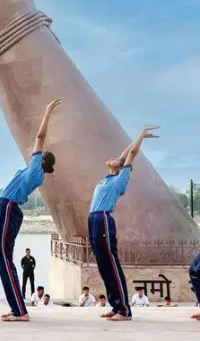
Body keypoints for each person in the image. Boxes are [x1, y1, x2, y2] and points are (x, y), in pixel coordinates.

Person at [0, 99, 61, 322]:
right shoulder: (34, 170)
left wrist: (47, 113)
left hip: (9, 207)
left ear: (42, 160)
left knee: (4, 259)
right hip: (7, 207)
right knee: (4, 259)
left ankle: (20, 311)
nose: (36, 152)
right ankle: (16, 307)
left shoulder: (35, 169)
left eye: (40, 153)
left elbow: (39, 138)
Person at [89, 125, 159, 321]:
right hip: (93, 219)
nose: (113, 157)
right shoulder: (108, 178)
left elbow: (131, 154)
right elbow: (124, 153)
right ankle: (115, 305)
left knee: (111, 264)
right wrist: (134, 140)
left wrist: (141, 136)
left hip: (103, 218)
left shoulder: (120, 179)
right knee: (103, 266)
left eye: (116, 160)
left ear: (119, 166)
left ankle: (124, 310)